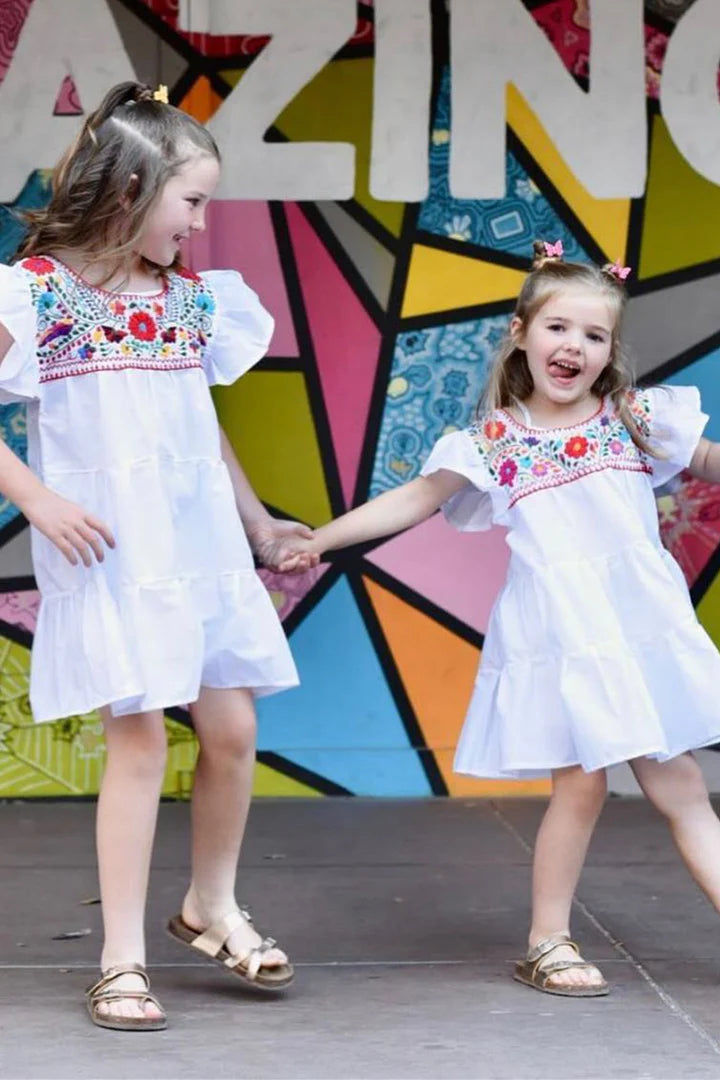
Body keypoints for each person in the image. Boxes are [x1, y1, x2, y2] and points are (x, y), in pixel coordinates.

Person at [275, 239, 720, 998]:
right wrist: (319, 539)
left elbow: (707, 459)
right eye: (558, 328)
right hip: (565, 635)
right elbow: (414, 498)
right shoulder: (493, 442)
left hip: (637, 629)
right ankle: (548, 940)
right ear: (520, 331)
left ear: (610, 353)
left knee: (679, 784)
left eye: (593, 335)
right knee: (579, 786)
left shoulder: (633, 418)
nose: (573, 345)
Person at [0, 81, 318, 1030]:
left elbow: (198, 424)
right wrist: (35, 495)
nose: (202, 223)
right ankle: (121, 958)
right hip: (115, 558)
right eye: (193, 202)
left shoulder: (188, 304)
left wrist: (258, 525)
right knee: (138, 739)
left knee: (232, 733)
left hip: (202, 551)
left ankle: (209, 905)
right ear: (133, 189)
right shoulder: (42, 294)